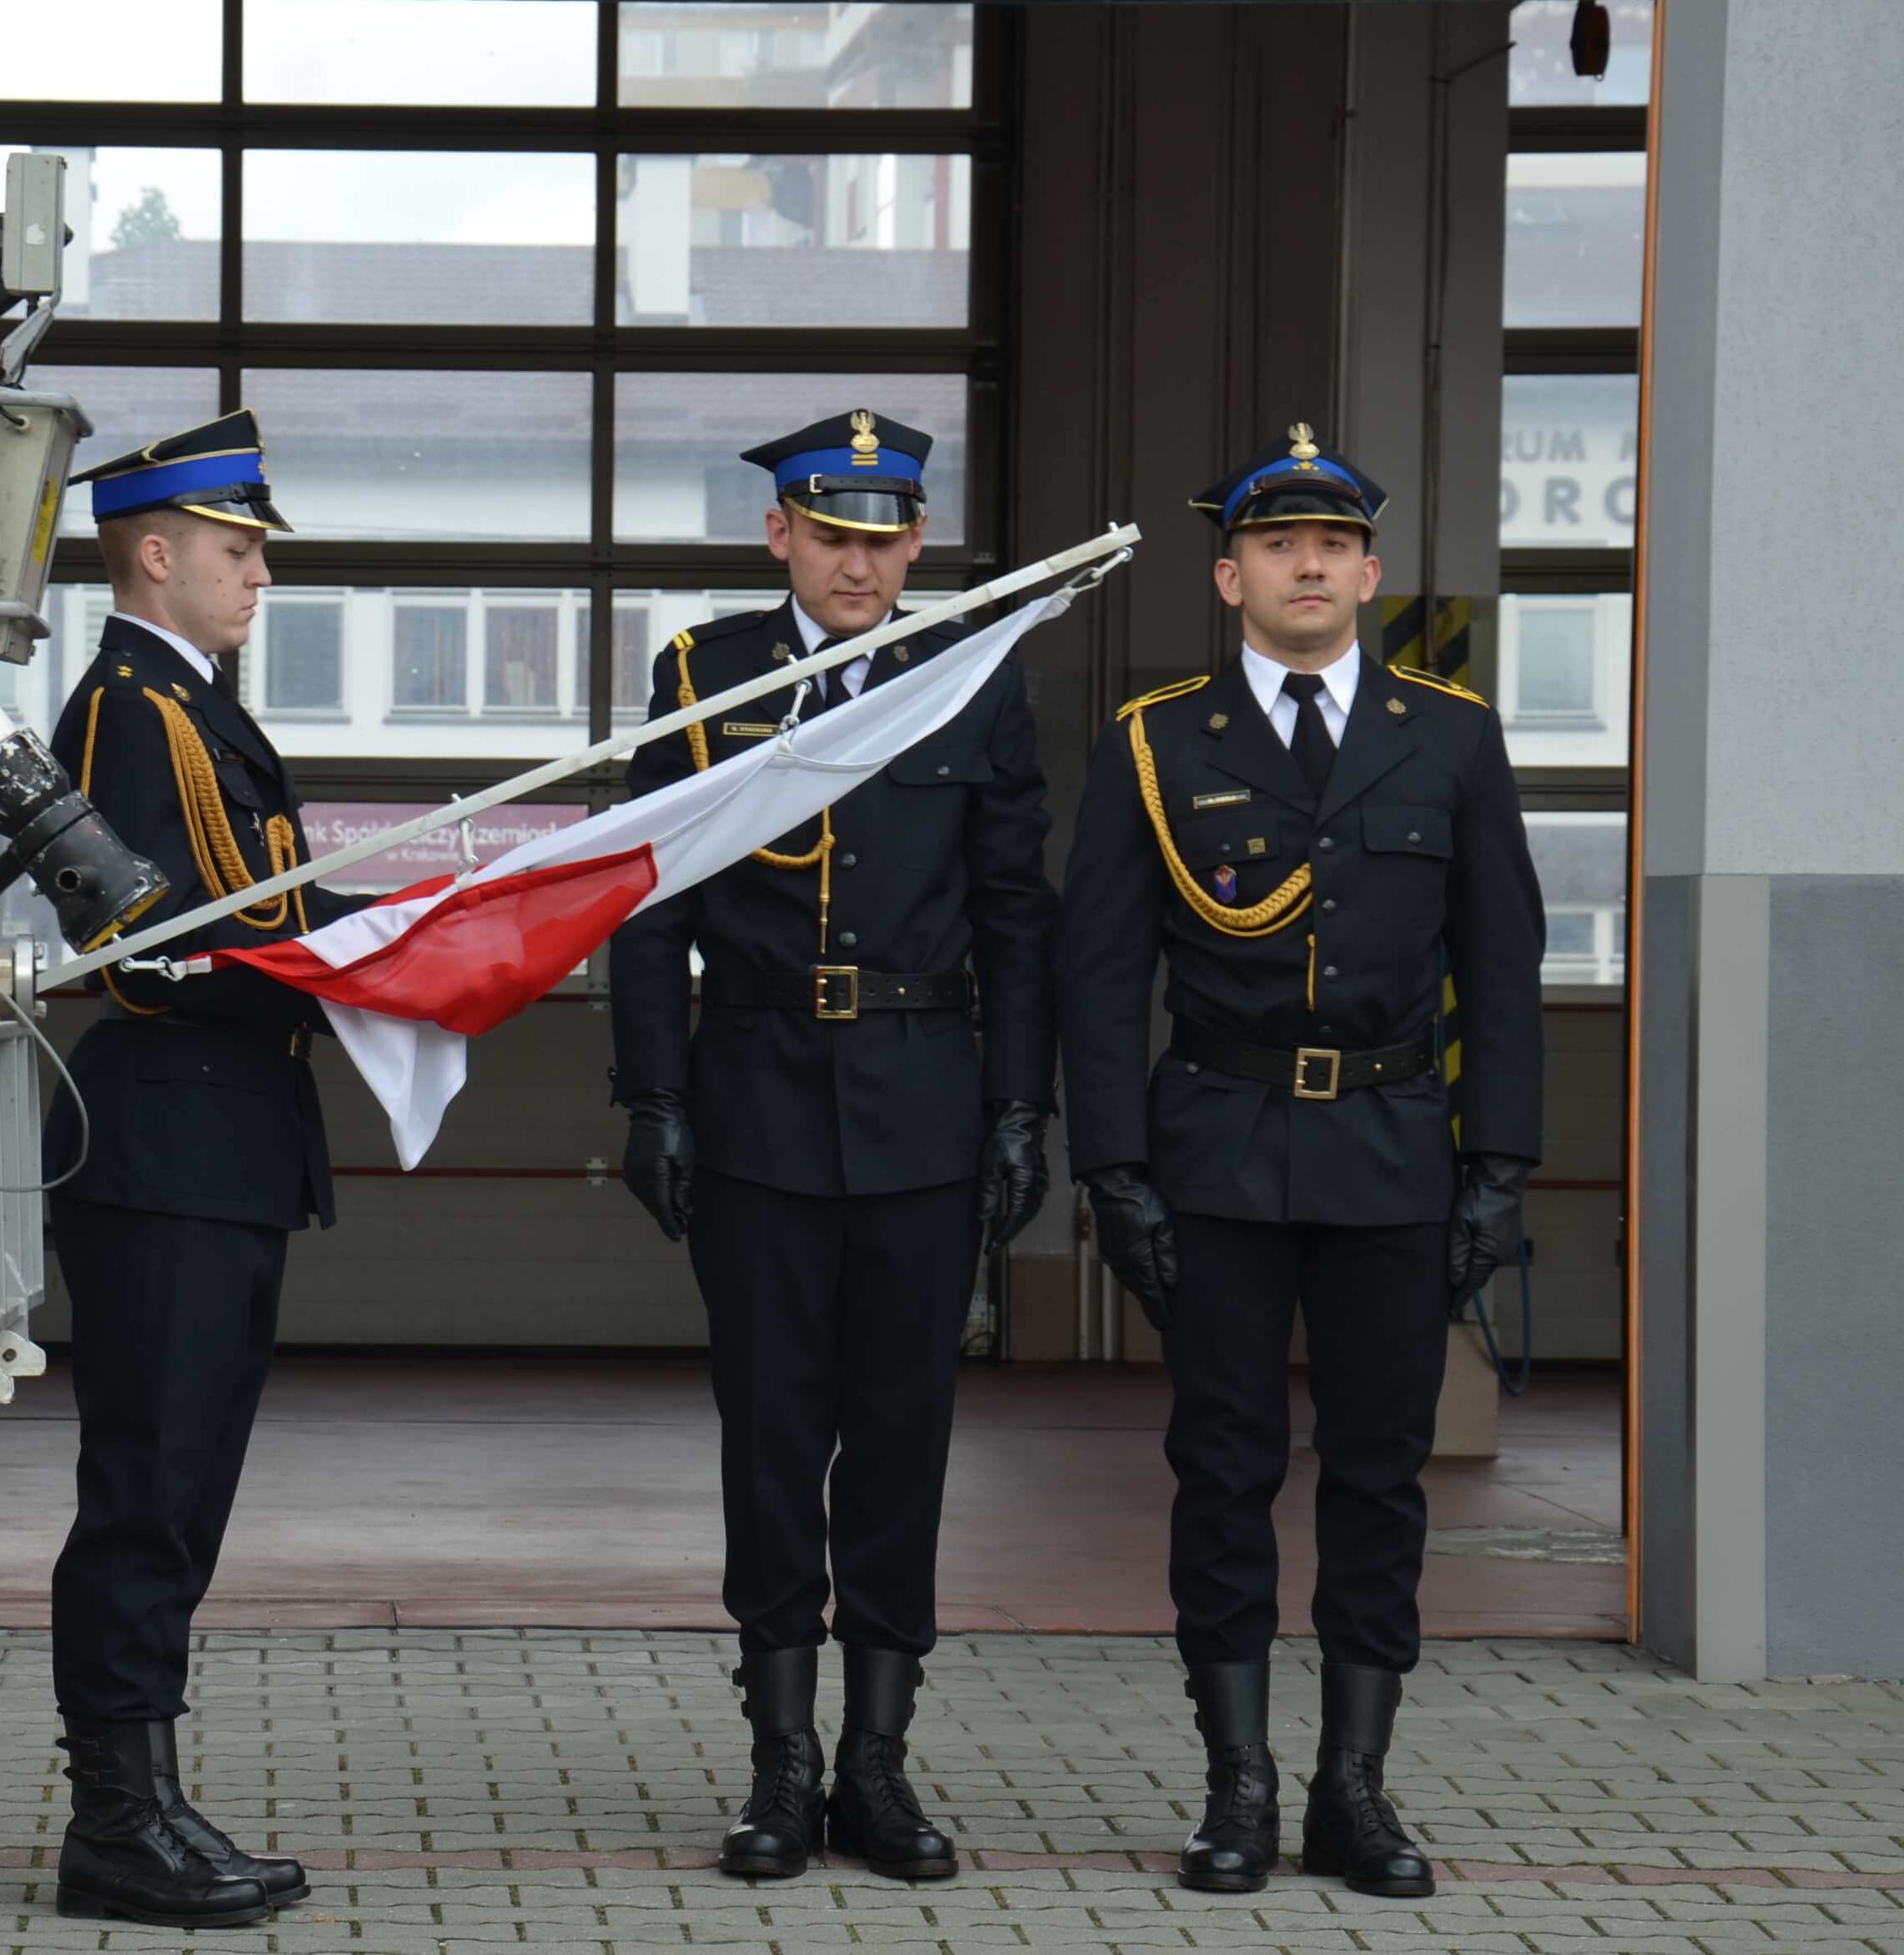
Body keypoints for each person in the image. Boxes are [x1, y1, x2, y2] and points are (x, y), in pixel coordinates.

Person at [1056, 426, 1543, 1900]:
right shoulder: (1156, 743)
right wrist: (1115, 1172)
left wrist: (1500, 1164)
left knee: (1382, 1477)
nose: (1310, 564)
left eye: (1333, 544)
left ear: (1373, 572)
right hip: (1217, 1153)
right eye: (1280, 545)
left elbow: (1503, 966)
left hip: (1396, 1154)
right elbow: (1097, 975)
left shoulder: (1448, 735)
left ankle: (1354, 1791)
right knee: (1223, 1471)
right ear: (1230, 576)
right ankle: (1237, 1789)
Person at [606, 409, 1057, 1882]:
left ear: (918, 543)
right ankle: (781, 1767)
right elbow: (646, 894)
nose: (860, 562)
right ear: (779, 536)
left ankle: (879, 1763)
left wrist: (1015, 1107)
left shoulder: (966, 675)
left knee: (904, 1447)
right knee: (773, 1440)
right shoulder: (709, 675)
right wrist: (652, 1095)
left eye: (886, 537)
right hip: (753, 1100)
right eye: (833, 533)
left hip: (925, 1106)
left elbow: (1015, 915)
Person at [37, 411, 358, 1928]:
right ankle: (116, 1822)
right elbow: (151, 938)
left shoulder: (199, 704)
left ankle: (148, 1798)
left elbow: (254, 894)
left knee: (184, 1493)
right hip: (169, 1124)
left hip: (219, 1137)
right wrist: (349, 958)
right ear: (154, 554)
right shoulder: (129, 707)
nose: (258, 579)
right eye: (237, 553)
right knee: (146, 1493)